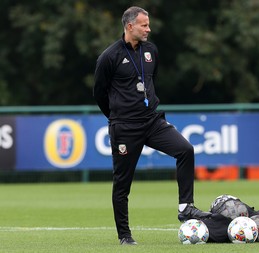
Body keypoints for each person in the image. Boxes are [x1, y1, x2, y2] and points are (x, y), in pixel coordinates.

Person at [93, 6, 211, 246]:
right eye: (144, 25)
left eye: (148, 24)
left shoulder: (151, 51)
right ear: (129, 26)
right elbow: (99, 93)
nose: (149, 29)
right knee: (123, 183)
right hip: (125, 127)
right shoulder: (109, 56)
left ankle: (186, 208)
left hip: (152, 121)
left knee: (186, 150)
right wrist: (116, 117)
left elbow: (150, 81)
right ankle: (125, 236)